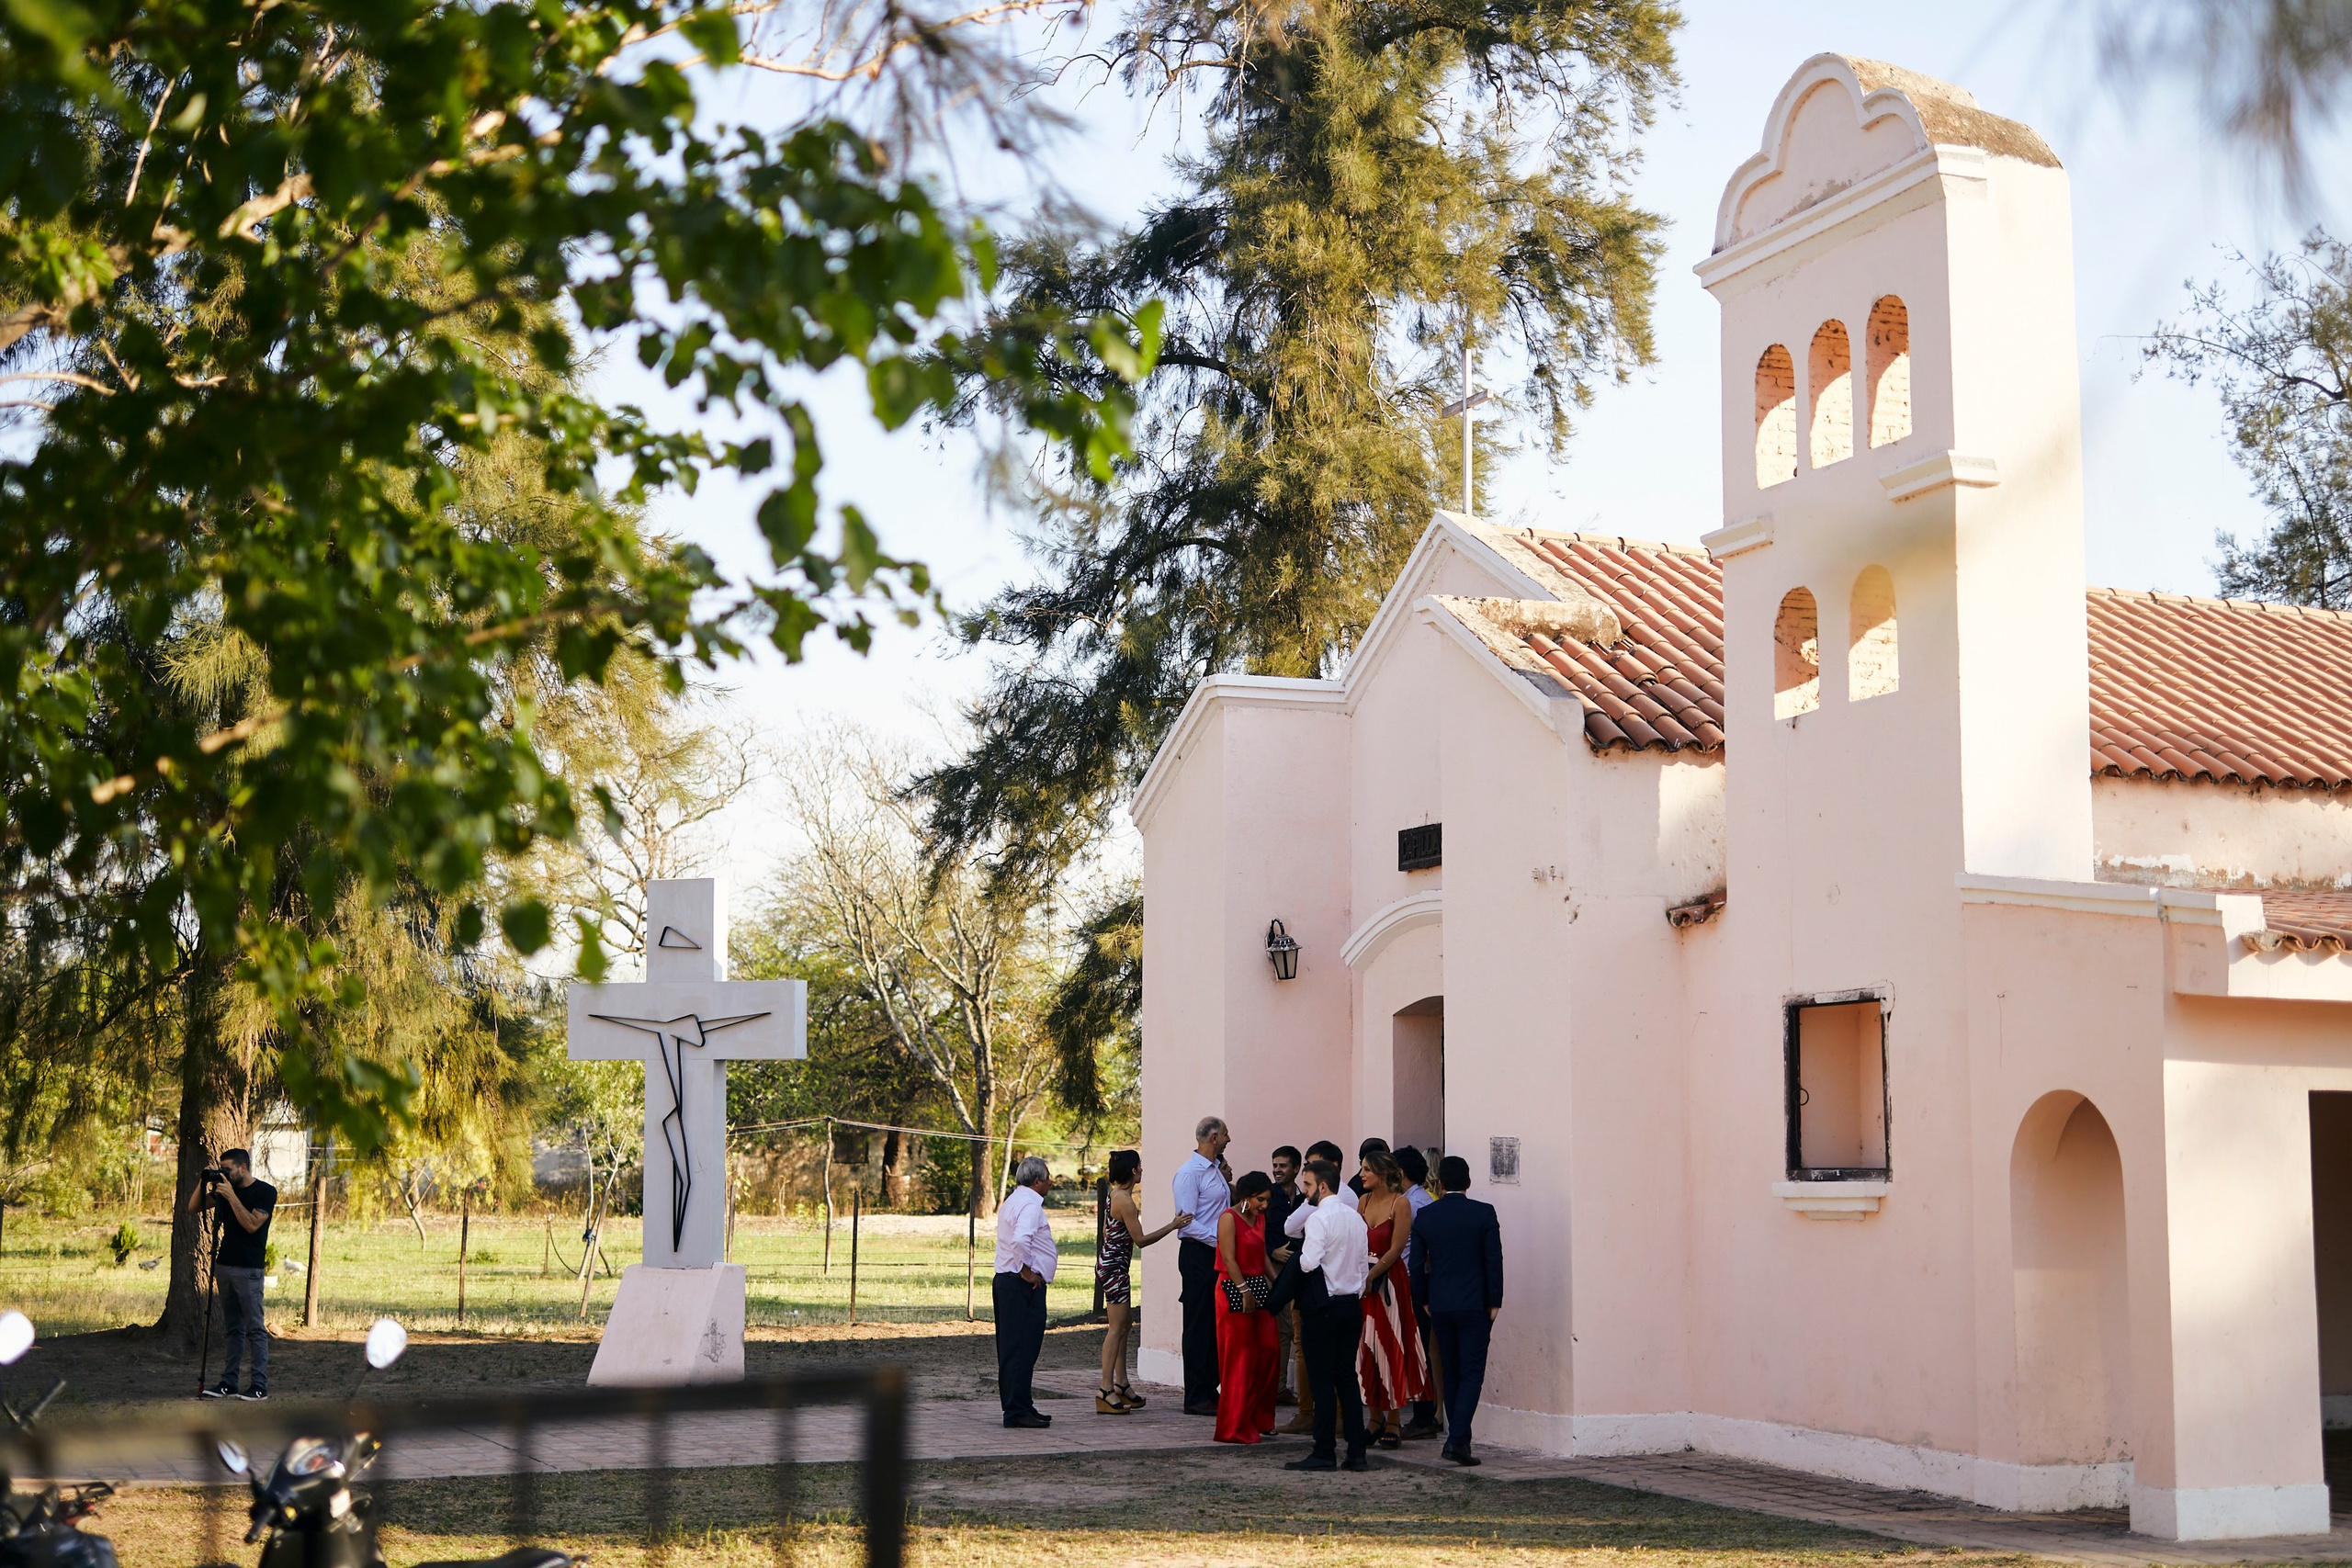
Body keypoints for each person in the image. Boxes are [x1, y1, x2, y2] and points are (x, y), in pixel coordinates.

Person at [1408, 1154, 1504, 1466]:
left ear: (1438, 1183)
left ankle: (1458, 1438)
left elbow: (1417, 1264)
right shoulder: (1483, 1213)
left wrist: (1423, 1299)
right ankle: (1457, 1439)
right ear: (1469, 1182)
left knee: (1450, 1370)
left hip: (1440, 1302)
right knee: (1471, 1372)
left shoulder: (1426, 1216)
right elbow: (1493, 1260)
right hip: (1475, 1302)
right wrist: (1495, 1301)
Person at [1281, 1158, 1370, 1472]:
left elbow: (1307, 1262)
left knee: (1321, 1380)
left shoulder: (1320, 1218)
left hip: (1324, 1307)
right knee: (1347, 1377)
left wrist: (1305, 1263)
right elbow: (1362, 1267)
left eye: (1307, 1184)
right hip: (1350, 1305)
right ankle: (1357, 1452)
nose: (1304, 1190)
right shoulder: (1356, 1219)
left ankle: (1324, 1451)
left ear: (1322, 1186)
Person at [1096, 1149, 1190, 1414]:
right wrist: (1172, 1226)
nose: (1142, 1170)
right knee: (1116, 1328)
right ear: (1133, 1171)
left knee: (1125, 1324)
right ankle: (1104, 1389)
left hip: (1111, 1265)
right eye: (1140, 1166)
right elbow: (1141, 1240)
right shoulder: (1125, 1201)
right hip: (1114, 1268)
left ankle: (1121, 1384)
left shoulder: (1116, 1194)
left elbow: (1107, 1230)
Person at [1355, 1147, 1431, 1448]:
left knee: (1392, 1344)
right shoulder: (1363, 1201)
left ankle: (1394, 1420)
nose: (1361, 1174)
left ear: (1383, 1173)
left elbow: (1398, 1246)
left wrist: (1374, 1274)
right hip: (1365, 1280)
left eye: (1366, 1170)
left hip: (1390, 1281)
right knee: (1367, 1344)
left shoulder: (1401, 1204)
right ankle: (1374, 1417)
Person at [191, 1148, 276, 1401]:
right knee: (233, 1330)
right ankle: (229, 1383)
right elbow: (193, 1207)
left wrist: (231, 1197)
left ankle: (259, 1386)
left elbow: (251, 1225)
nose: (223, 1173)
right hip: (225, 1266)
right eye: (221, 1169)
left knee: (255, 1330)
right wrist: (204, 1179)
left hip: (249, 1268)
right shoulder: (223, 1191)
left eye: (227, 1169)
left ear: (242, 1167)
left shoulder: (265, 1192)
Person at [1172, 1116, 1233, 1416]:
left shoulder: (1216, 1171)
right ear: (1212, 1137)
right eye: (1224, 1134)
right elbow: (1186, 1223)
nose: (1228, 1139)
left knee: (1214, 1323)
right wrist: (1219, 1240)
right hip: (1200, 1254)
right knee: (1198, 1324)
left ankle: (1211, 1389)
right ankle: (1196, 1394)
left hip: (1217, 1253)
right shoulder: (1189, 1174)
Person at [1213, 1171, 1279, 1443]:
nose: (1264, 1205)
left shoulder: (1260, 1218)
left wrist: (1278, 1282)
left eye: (1267, 1200)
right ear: (1246, 1197)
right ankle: (1234, 1425)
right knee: (1241, 1357)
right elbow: (1228, 1257)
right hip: (1232, 1286)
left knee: (1270, 1349)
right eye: (1260, 1199)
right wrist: (1244, 1291)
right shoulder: (1229, 1217)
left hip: (1258, 1285)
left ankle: (1259, 1417)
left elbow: (1261, 1253)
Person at [992, 1155, 1057, 1429]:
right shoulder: (1030, 1205)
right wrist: (1027, 1271)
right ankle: (1016, 1410)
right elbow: (1021, 1239)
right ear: (1037, 1181)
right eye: (1048, 1178)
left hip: (1009, 1283)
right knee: (1021, 1348)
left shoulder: (1013, 1200)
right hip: (1020, 1285)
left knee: (1017, 1348)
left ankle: (1021, 1403)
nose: (1051, 1182)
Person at [1394, 1145, 1442, 1440]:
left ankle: (1424, 1414)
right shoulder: (1416, 1200)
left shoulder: (1414, 1204)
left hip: (1414, 1283)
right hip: (1413, 1282)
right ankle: (1423, 1412)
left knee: (1418, 1349)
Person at [1265, 1146, 1302, 1408]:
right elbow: (1251, 1227)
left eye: (1283, 1166)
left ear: (1296, 1169)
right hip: (1270, 1267)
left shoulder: (1305, 1197)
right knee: (1278, 1325)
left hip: (1299, 1267)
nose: (1277, 1170)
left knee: (1291, 1328)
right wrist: (1271, 1251)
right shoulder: (1266, 1195)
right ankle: (1275, 1387)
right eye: (1275, 1165)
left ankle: (1281, 1387)